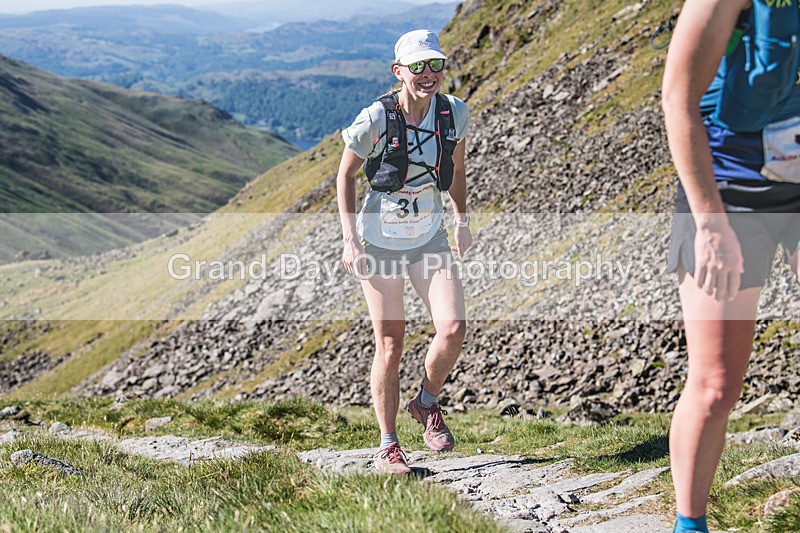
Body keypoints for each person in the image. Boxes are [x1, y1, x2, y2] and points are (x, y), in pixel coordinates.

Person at [662, 0, 800, 531]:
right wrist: (710, 224)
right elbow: (678, 99)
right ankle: (689, 524)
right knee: (717, 383)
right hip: (731, 192)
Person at [336, 29, 472, 474]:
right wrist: (350, 239)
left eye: (435, 65)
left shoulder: (454, 113)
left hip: (429, 239)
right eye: (417, 67)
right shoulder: (375, 117)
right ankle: (388, 446)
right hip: (379, 244)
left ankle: (426, 402)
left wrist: (462, 221)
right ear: (399, 72)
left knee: (452, 327)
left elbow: (454, 170)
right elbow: (346, 176)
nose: (427, 74)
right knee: (390, 344)